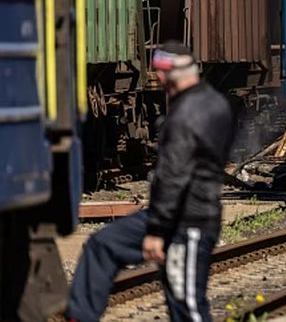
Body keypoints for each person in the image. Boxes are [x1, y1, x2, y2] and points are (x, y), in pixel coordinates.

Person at [67, 42, 234, 321]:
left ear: (173, 71)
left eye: (159, 72)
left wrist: (158, 230)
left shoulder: (188, 113)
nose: (156, 79)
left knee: (188, 304)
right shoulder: (213, 103)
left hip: (187, 220)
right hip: (173, 214)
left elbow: (175, 174)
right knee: (103, 244)